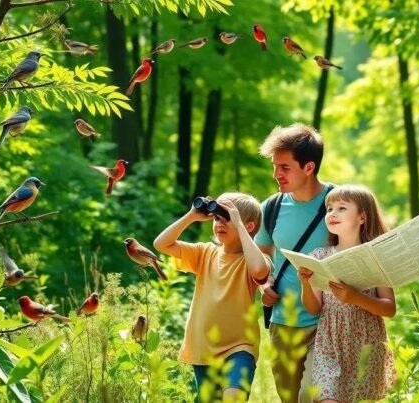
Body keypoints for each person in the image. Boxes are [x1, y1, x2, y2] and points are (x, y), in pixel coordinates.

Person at [153, 192, 271, 402]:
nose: (219, 223)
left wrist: (240, 225)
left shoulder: (252, 259)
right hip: (203, 348)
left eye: (228, 219)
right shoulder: (205, 253)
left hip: (240, 347)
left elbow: (261, 270)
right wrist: (191, 216)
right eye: (217, 218)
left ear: (249, 226)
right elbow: (161, 244)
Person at [255, 123, 334, 402]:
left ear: (309, 167)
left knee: (312, 396)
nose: (276, 174)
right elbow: (261, 257)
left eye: (285, 167)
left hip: (329, 321)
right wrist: (264, 284)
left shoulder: (339, 203)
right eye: (275, 166)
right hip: (283, 322)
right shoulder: (271, 207)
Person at [298, 184, 396, 402]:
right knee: (327, 396)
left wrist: (356, 298)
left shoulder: (375, 257)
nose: (332, 213)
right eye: (329, 208)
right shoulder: (319, 256)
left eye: (341, 208)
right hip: (330, 343)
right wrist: (305, 283)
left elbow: (390, 308)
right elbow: (314, 308)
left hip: (367, 344)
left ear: (362, 217)